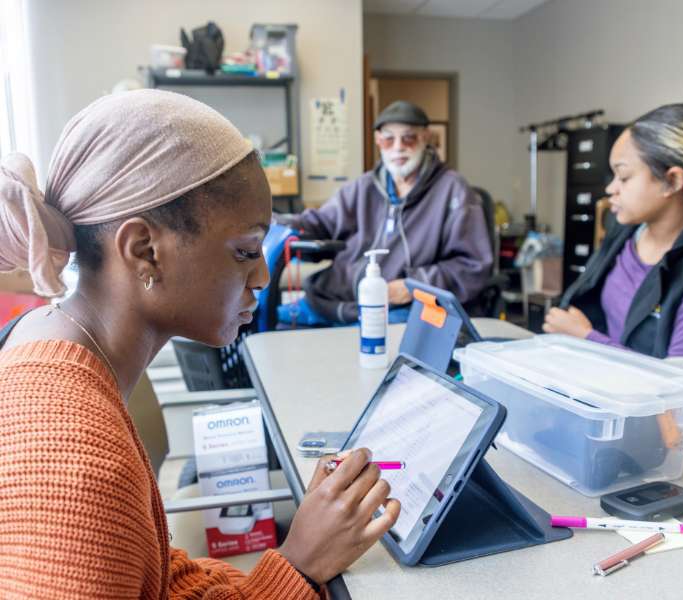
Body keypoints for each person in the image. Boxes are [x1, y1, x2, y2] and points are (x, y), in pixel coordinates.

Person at [0, 90, 400, 599]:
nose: (262, 275)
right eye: (246, 251)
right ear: (145, 250)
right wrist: (296, 567)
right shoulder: (73, 463)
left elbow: (147, 571)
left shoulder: (45, 335)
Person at [544, 104, 683, 379]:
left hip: (662, 419)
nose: (610, 189)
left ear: (672, 181)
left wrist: (586, 338)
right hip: (600, 391)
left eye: (624, 176)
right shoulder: (625, 233)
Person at [276, 100, 492, 325]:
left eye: (408, 137)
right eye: (389, 139)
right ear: (379, 142)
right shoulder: (364, 186)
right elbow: (320, 223)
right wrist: (276, 223)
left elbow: (472, 266)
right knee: (266, 324)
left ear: (425, 137)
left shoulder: (453, 191)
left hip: (399, 309)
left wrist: (413, 285)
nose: (398, 147)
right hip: (335, 300)